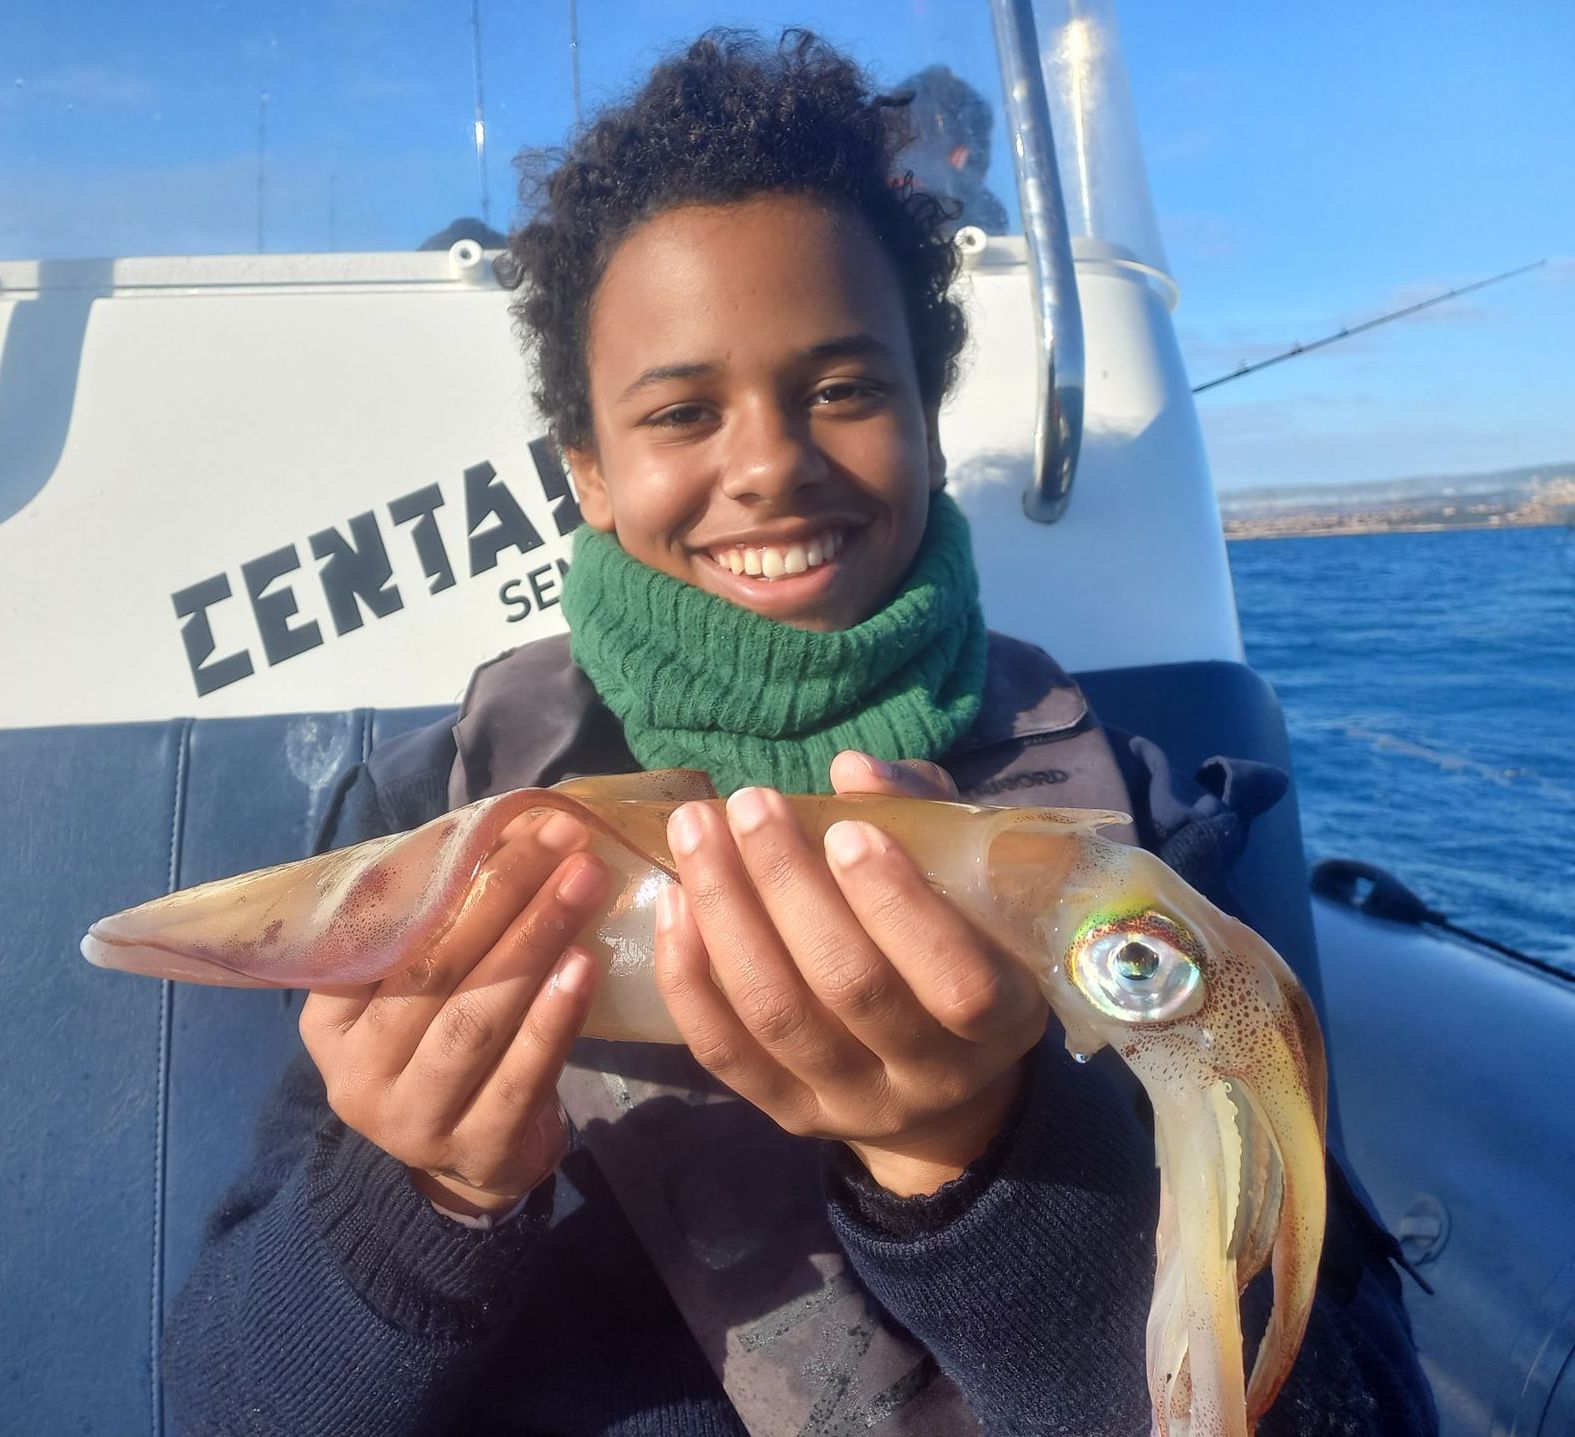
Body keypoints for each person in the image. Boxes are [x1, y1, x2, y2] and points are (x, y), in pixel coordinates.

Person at [165, 31, 1435, 1436]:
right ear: (587, 470)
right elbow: (225, 1398)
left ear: (928, 426)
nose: (769, 461)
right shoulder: (437, 816)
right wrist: (417, 1199)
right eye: (682, 411)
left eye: (843, 390)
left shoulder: (1145, 834)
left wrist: (981, 1158)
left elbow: (1355, 1407)